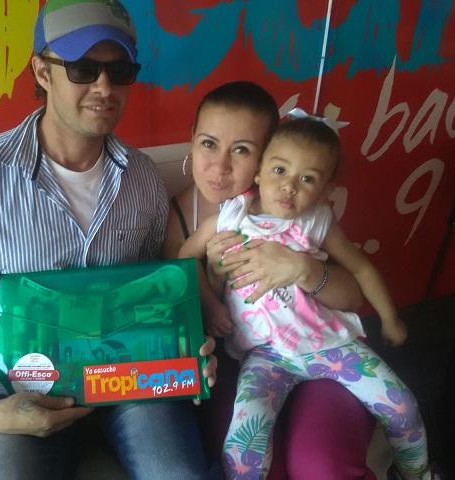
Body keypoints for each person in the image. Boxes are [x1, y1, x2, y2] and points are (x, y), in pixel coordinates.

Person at [0, 2, 219, 479]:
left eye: (119, 71)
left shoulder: (142, 179)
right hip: (24, 393)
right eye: (82, 68)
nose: (104, 87)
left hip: (131, 387)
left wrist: (187, 345)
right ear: (42, 71)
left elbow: (155, 295)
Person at [179, 110, 432, 479]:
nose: (289, 187)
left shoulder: (317, 220)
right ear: (259, 171)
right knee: (243, 446)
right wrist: (210, 299)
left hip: (330, 345)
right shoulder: (230, 218)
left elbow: (361, 269)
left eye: (307, 178)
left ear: (326, 190)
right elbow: (183, 260)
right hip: (266, 354)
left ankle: (415, 473)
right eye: (280, 170)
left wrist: (390, 318)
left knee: (403, 407)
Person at [163, 81, 378, 479]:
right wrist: (213, 277)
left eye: (242, 150)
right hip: (238, 362)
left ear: (267, 157)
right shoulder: (176, 219)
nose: (220, 166)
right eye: (209, 143)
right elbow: (174, 314)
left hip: (318, 346)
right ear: (192, 139)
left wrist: (305, 269)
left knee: (321, 465)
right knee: (252, 460)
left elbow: (353, 297)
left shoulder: (295, 207)